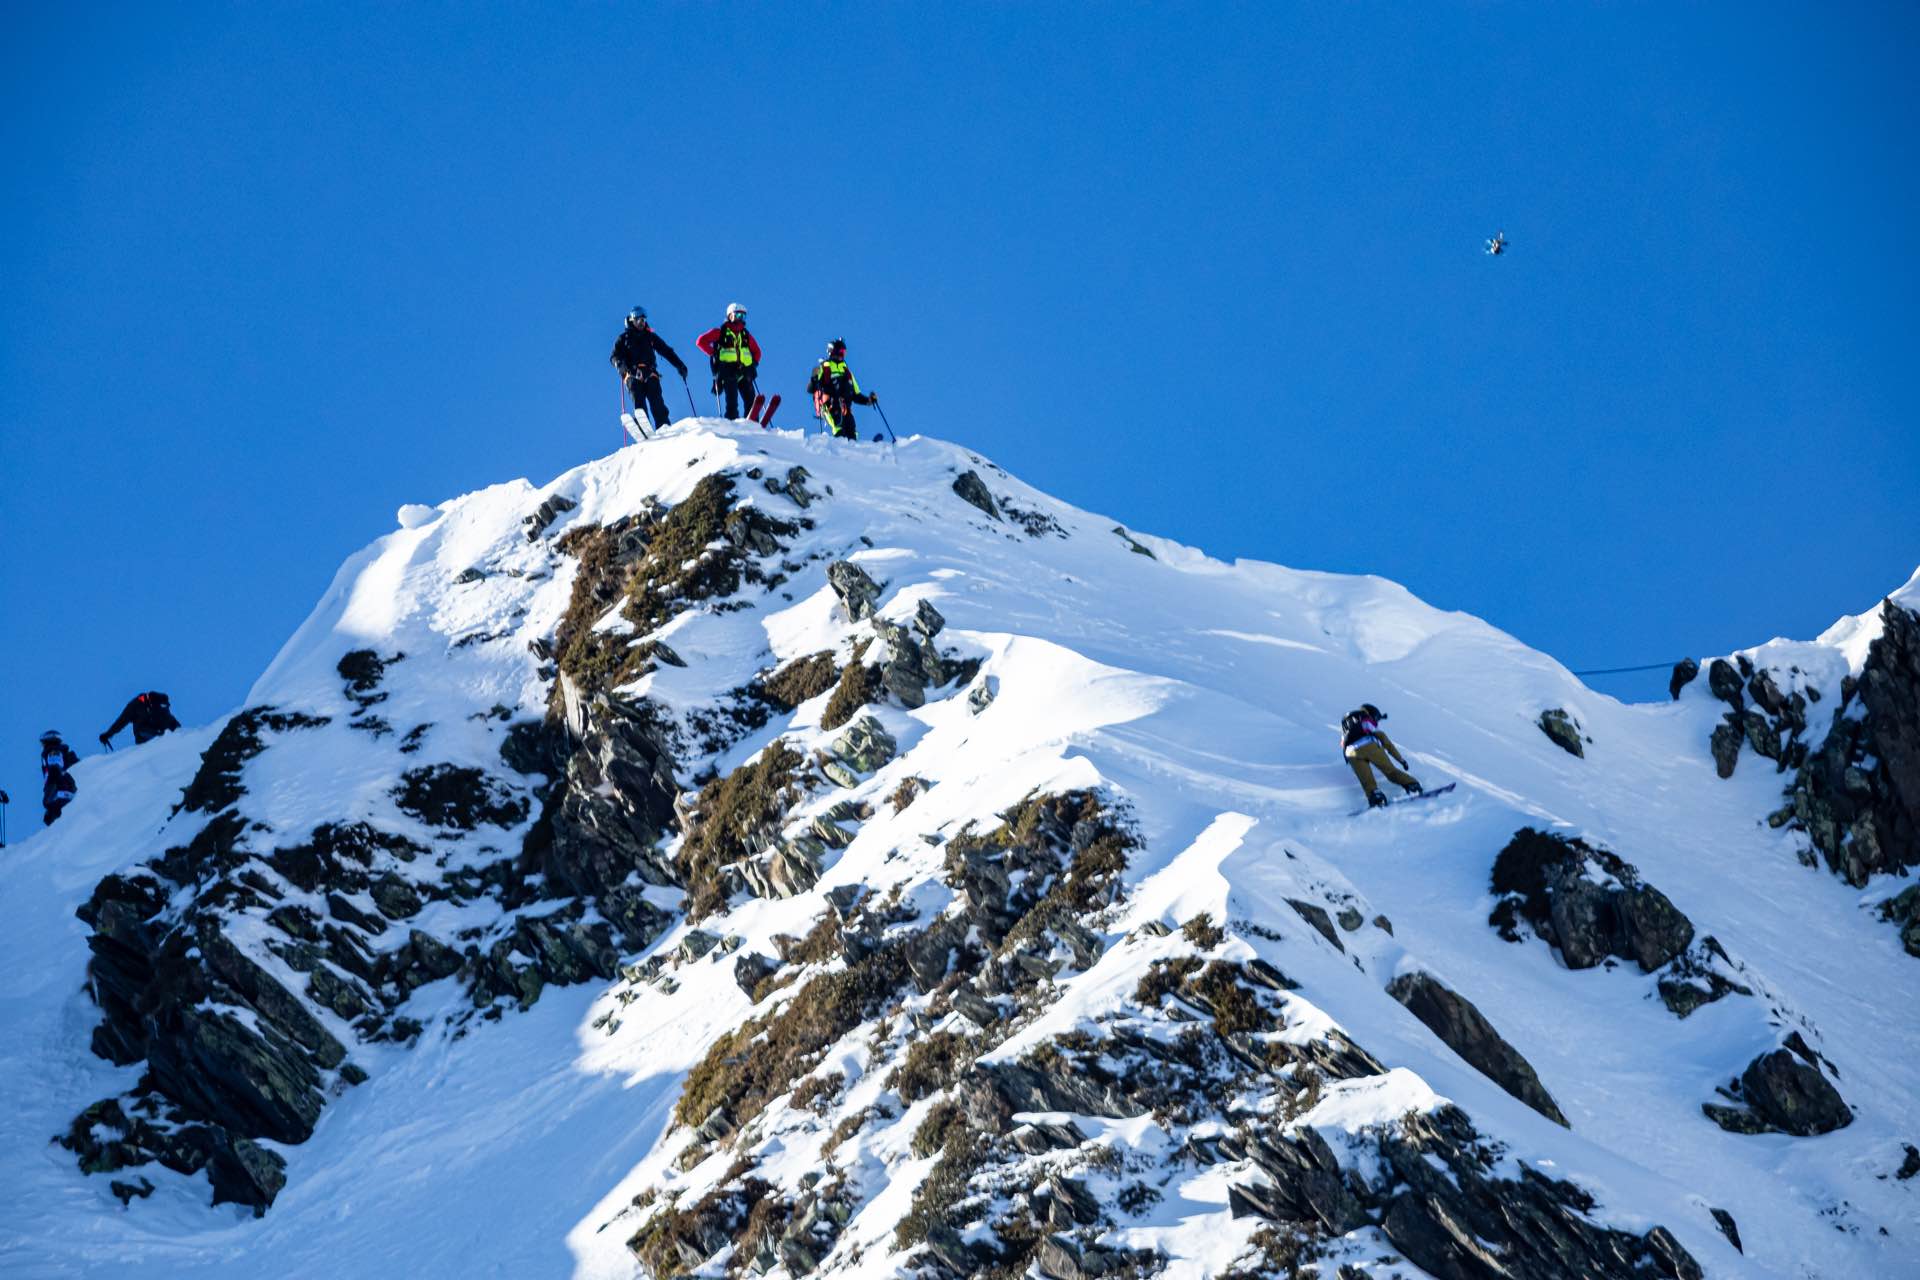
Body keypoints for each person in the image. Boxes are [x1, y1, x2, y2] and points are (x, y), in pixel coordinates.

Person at [610, 306, 689, 434]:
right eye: (638, 319)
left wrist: (680, 365)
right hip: (632, 373)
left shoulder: (650, 337)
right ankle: (643, 427)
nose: (641, 322)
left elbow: (666, 351)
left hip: (650, 372)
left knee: (656, 400)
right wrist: (622, 367)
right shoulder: (624, 338)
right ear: (631, 320)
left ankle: (663, 426)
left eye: (643, 319)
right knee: (638, 399)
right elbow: (614, 356)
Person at [1340, 703, 1421, 809]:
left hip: (1350, 753)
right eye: (1377, 720)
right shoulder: (1366, 721)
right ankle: (1412, 785)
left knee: (1367, 781)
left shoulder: (1347, 727)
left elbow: (1343, 744)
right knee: (1391, 772)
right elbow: (1387, 744)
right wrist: (1401, 760)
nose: (1377, 723)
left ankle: (1376, 798)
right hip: (1369, 745)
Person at [695, 302, 762, 420]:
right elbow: (701, 341)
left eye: (743, 316)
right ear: (730, 316)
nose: (741, 319)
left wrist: (753, 365)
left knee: (750, 399)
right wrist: (714, 353)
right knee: (732, 400)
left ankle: (752, 424)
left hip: (744, 371)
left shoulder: (745, 335)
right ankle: (732, 422)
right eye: (738, 315)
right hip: (727, 371)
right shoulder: (720, 332)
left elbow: (757, 352)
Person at [808, 339, 877, 441]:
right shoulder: (825, 368)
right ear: (832, 352)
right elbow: (811, 389)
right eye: (839, 352)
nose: (841, 355)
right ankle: (840, 449)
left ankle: (854, 450)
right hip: (831, 405)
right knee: (839, 425)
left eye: (843, 352)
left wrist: (869, 400)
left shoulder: (847, 372)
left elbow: (855, 395)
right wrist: (814, 379)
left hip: (846, 409)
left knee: (851, 429)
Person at [100, 690, 181, 747]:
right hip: (144, 737)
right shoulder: (135, 705)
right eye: (162, 706)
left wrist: (182, 732)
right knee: (146, 731)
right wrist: (108, 734)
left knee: (168, 724)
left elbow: (170, 719)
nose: (163, 708)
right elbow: (121, 721)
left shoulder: (161, 706)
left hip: (162, 735)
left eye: (165, 706)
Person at [39, 730, 79, 826]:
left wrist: (49, 795)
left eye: (43, 743)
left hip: (60, 791)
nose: (42, 746)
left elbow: (55, 769)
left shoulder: (53, 752)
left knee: (54, 818)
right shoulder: (58, 752)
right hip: (65, 790)